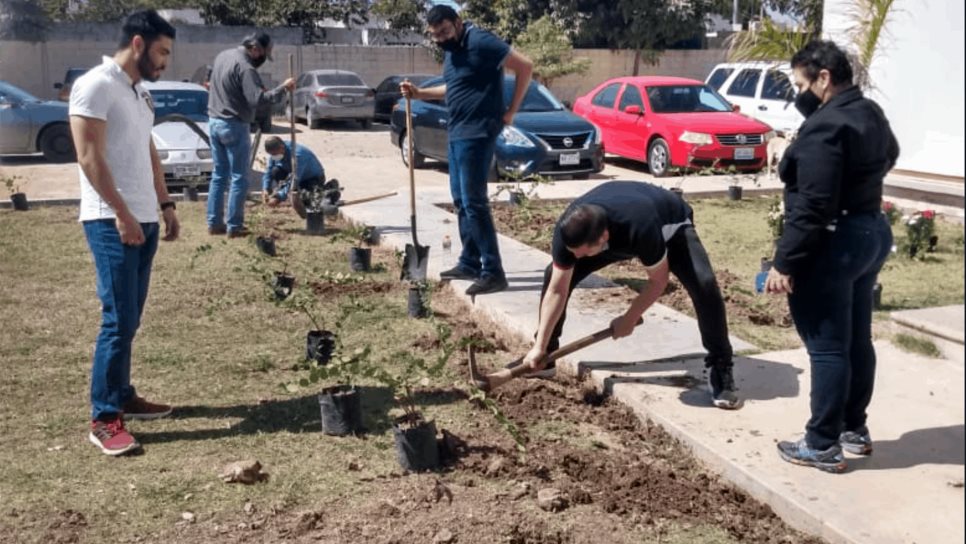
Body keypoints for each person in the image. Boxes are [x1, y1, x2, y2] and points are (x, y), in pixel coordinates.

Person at [765, 41, 898, 473]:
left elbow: (814, 205)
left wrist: (784, 262)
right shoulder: (867, 112)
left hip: (835, 242)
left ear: (824, 78)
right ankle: (852, 429)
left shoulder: (825, 128)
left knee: (827, 348)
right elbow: (889, 154)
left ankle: (821, 443)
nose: (798, 93)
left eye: (801, 83)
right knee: (857, 338)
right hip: (870, 231)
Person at [523, 181, 742, 410]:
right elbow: (558, 289)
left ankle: (720, 365)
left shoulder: (640, 227)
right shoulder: (568, 233)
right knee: (553, 274)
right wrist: (540, 344)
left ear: (604, 237)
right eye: (573, 252)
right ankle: (545, 356)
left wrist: (629, 317)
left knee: (704, 284)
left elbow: (658, 281)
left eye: (584, 252)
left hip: (670, 224)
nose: (579, 256)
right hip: (615, 221)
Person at [68, 10, 180, 456]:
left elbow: (147, 150)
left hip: (145, 218)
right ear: (138, 43)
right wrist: (122, 213)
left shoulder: (139, 94)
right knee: (116, 319)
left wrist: (165, 204)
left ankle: (123, 395)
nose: (165, 61)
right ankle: (104, 418)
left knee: (130, 318)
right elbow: (89, 157)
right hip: (110, 221)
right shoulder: (95, 85)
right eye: (162, 52)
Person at [400, 5, 533, 296]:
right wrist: (420, 93)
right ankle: (470, 261)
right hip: (457, 130)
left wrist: (511, 111)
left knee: (474, 202)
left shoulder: (482, 41)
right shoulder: (451, 50)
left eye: (445, 31)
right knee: (460, 200)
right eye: (435, 35)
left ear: (458, 23)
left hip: (479, 131)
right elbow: (453, 87)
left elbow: (525, 66)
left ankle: (493, 271)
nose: (441, 38)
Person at [207, 32, 295, 237]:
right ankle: (234, 227)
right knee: (239, 177)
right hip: (234, 125)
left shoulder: (222, 56)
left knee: (219, 176)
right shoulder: (246, 68)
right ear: (255, 48)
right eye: (263, 54)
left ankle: (214, 223)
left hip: (213, 122)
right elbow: (258, 100)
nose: (262, 59)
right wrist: (283, 88)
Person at [260, 136, 327, 209]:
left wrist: (279, 197)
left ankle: (286, 194)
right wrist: (265, 188)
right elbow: (269, 171)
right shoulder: (276, 151)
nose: (273, 156)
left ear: (282, 147)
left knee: (306, 197)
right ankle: (285, 193)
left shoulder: (298, 155)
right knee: (275, 171)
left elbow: (295, 179)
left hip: (311, 178)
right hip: (292, 174)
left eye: (275, 154)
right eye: (271, 154)